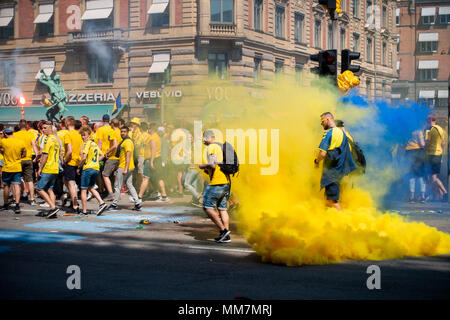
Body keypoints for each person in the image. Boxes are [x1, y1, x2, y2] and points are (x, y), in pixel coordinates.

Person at [314, 112, 356, 211]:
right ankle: (327, 221)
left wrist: (316, 161)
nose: (322, 124)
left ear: (328, 120)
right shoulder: (342, 133)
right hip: (340, 172)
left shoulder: (329, 133)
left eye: (322, 122)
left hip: (331, 174)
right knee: (328, 200)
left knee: (332, 202)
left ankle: (343, 222)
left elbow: (322, 154)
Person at [199, 130, 232, 243]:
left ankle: (223, 231)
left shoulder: (212, 147)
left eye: (204, 138)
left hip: (217, 183)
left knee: (207, 207)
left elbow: (213, 165)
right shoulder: (221, 146)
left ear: (208, 138)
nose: (203, 140)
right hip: (226, 182)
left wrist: (202, 166)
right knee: (222, 209)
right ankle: (226, 235)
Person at [108, 126, 142, 211]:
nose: (122, 133)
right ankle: (137, 203)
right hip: (127, 167)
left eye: (124, 132)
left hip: (125, 167)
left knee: (117, 186)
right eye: (121, 132)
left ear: (127, 132)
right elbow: (122, 156)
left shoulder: (127, 142)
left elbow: (128, 154)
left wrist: (125, 168)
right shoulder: (125, 142)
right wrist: (116, 166)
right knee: (129, 185)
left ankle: (114, 204)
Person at [78, 126, 108, 216]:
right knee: (90, 187)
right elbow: (102, 155)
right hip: (95, 168)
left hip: (88, 169)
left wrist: (79, 167)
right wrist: (95, 161)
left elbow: (83, 157)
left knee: (83, 189)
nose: (83, 137)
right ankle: (102, 202)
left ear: (89, 135)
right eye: (82, 135)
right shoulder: (94, 144)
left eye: (84, 135)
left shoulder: (87, 144)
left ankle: (84, 211)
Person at [36, 121, 62, 218]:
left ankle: (53, 207)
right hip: (55, 168)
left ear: (51, 129)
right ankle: (53, 210)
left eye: (45, 128)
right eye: (42, 128)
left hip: (48, 167)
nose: (43, 130)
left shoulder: (48, 139)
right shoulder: (56, 139)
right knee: (50, 189)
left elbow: (45, 155)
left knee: (39, 189)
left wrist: (40, 168)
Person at [0, 128, 26, 214]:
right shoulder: (20, 142)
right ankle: (17, 205)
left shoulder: (3, 141)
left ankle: (6, 204)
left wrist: (3, 151)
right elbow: (24, 154)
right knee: (16, 186)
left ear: (5, 134)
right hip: (17, 167)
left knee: (6, 186)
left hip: (7, 167)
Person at [13, 120, 39, 205]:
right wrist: (36, 156)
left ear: (19, 126)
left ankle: (15, 198)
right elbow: (34, 145)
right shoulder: (30, 134)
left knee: (16, 180)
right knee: (30, 180)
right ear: (26, 126)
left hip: (18, 159)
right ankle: (32, 199)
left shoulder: (15, 135)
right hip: (28, 159)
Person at [425, 115, 447, 201]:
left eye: (427, 121)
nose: (427, 123)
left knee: (433, 178)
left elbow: (426, 144)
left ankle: (445, 193)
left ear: (430, 120)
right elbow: (443, 143)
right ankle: (441, 196)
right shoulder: (441, 129)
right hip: (439, 154)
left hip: (433, 155)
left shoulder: (431, 130)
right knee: (431, 178)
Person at [63, 117, 83, 213]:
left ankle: (75, 205)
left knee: (71, 184)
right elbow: (82, 151)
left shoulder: (68, 134)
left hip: (70, 162)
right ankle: (73, 201)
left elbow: (69, 151)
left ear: (67, 124)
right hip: (78, 162)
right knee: (70, 183)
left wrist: (64, 160)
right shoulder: (79, 135)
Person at [102, 118, 121, 200]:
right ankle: (117, 194)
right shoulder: (120, 132)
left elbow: (114, 145)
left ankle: (110, 193)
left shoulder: (113, 132)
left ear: (112, 124)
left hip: (113, 157)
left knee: (105, 175)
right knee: (116, 176)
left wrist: (107, 152)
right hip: (120, 157)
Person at [405, 129, 427, 203]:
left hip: (408, 151)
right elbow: (422, 144)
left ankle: (412, 197)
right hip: (417, 152)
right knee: (421, 175)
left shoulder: (408, 130)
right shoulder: (419, 131)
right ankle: (423, 197)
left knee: (412, 175)